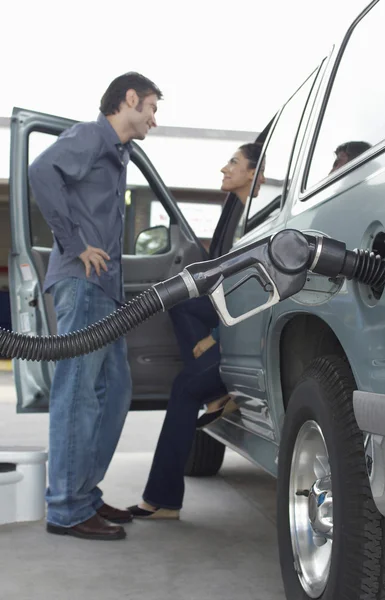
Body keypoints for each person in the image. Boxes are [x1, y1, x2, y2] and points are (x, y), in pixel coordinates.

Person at [28, 72, 162, 541]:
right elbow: (40, 172)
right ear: (129, 99)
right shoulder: (90, 136)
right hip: (82, 283)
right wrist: (77, 243)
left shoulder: (118, 153)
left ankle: (84, 492)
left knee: (115, 391)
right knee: (78, 393)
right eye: (151, 108)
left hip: (105, 290)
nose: (154, 120)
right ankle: (66, 508)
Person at [127, 143, 265, 520]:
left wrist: (216, 336)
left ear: (254, 173)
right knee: (180, 303)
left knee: (185, 388)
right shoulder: (236, 212)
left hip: (250, 335)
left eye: (233, 163)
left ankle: (162, 501)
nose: (224, 168)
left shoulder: (262, 221)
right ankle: (163, 498)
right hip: (233, 327)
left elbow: (254, 291)